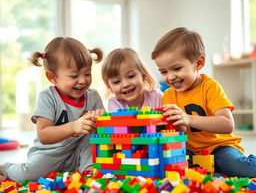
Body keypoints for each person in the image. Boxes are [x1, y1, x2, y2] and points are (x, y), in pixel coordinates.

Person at [151, 27, 256, 178]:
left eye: (177, 68)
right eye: (164, 72)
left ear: (198, 63)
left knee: (243, 169)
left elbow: (227, 124)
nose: (171, 77)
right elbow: (179, 132)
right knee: (171, 167)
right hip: (189, 149)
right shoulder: (168, 94)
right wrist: (178, 126)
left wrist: (189, 118)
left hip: (220, 146)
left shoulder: (210, 87)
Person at [0, 37, 105, 183]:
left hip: (79, 151)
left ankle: (88, 172)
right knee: (27, 177)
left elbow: (104, 129)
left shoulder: (93, 96)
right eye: (74, 76)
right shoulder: (47, 97)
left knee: (91, 137)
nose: (82, 80)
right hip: (50, 153)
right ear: (52, 77)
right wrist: (74, 126)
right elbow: (44, 135)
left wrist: (101, 120)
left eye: (87, 74)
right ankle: (6, 168)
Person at [101, 48, 162, 112]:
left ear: (143, 76)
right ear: (109, 86)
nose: (125, 84)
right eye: (117, 81)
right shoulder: (114, 104)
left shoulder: (157, 97)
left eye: (131, 76)